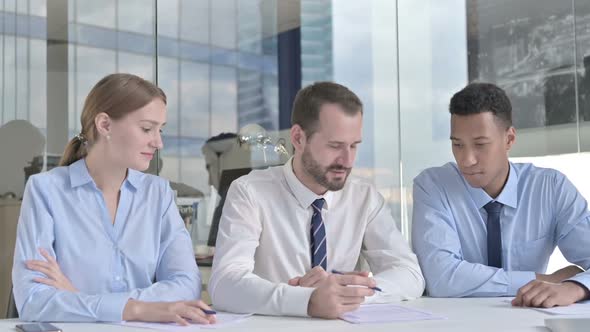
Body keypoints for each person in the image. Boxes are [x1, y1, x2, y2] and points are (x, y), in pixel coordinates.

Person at [12, 73, 216, 324]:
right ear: (105, 125)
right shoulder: (46, 190)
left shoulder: (158, 194)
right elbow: (33, 302)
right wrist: (136, 310)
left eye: (160, 130)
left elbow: (187, 285)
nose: (158, 142)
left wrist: (78, 297)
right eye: (147, 129)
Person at [209, 81, 424, 319]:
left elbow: (409, 274)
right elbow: (224, 285)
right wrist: (306, 300)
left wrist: (344, 292)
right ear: (299, 138)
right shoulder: (250, 193)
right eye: (335, 146)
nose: (347, 160)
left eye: (354, 146)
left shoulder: (364, 197)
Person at [412, 82, 590, 308]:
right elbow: (441, 277)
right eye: (458, 144)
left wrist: (575, 288)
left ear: (509, 139)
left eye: (480, 144)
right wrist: (544, 280)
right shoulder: (433, 186)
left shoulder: (550, 188)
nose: (466, 160)